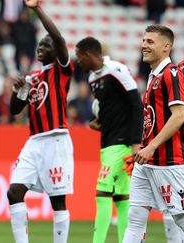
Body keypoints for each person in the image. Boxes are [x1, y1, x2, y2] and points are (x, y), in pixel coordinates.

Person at [6, 0, 74, 242]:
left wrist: (36, 9)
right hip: (34, 141)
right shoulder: (33, 77)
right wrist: (17, 90)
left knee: (57, 201)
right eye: (39, 45)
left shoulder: (62, 70)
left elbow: (58, 38)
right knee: (14, 192)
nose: (41, 47)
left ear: (56, 50)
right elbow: (15, 110)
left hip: (56, 139)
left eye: (46, 44)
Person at [75, 37, 143, 243]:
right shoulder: (92, 78)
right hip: (107, 142)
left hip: (121, 144)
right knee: (122, 199)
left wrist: (136, 143)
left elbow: (136, 104)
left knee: (101, 193)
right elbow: (112, 109)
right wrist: (99, 122)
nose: (78, 62)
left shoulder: (116, 70)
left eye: (79, 57)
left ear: (88, 54)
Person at [123, 24, 184, 242]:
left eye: (150, 42)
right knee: (135, 218)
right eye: (143, 40)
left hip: (169, 162)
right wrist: (143, 147)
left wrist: (152, 146)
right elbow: (152, 119)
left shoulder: (171, 75)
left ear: (166, 47)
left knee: (181, 218)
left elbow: (179, 116)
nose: (144, 45)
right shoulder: (152, 76)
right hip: (146, 164)